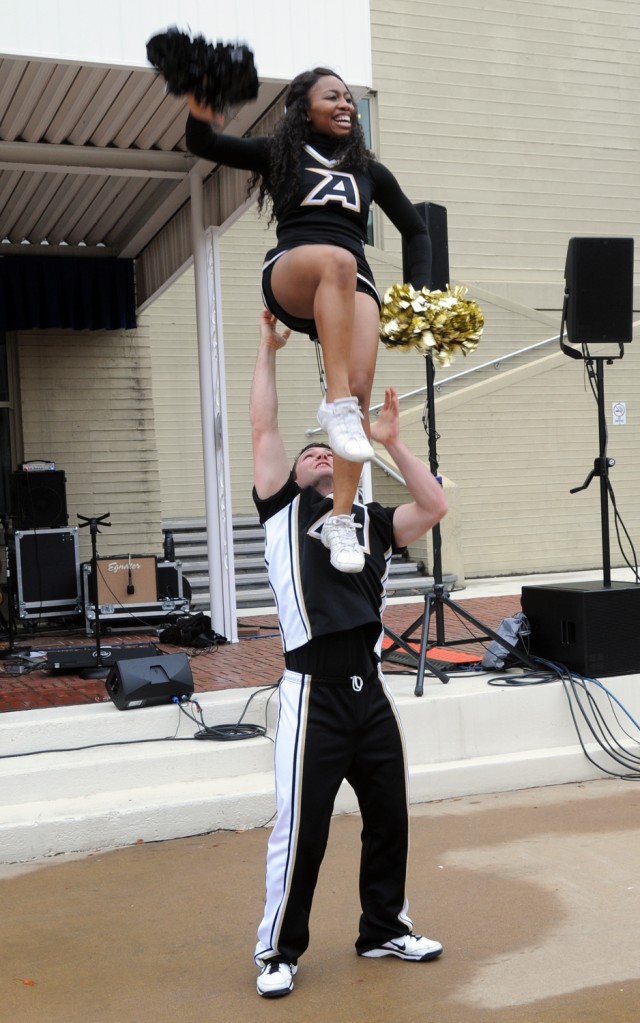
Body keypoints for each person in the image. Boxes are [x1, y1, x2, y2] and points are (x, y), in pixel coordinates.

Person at [249, 309, 448, 999]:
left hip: (369, 690)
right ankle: (278, 949)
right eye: (310, 455)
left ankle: (384, 925)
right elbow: (265, 430)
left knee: (389, 813)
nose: (317, 456)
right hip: (311, 693)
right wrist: (269, 352)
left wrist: (390, 444)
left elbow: (435, 503)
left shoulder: (369, 520)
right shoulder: (284, 510)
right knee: (301, 829)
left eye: (327, 452)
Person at [185, 66, 432, 574]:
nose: (346, 104)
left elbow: (416, 230)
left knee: (362, 391)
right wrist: (203, 97)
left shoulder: (370, 170)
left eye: (349, 98)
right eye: (332, 96)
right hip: (292, 272)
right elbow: (203, 141)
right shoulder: (280, 152)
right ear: (304, 108)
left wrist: (419, 297)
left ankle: (341, 519)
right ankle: (335, 407)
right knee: (337, 259)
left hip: (351, 284)